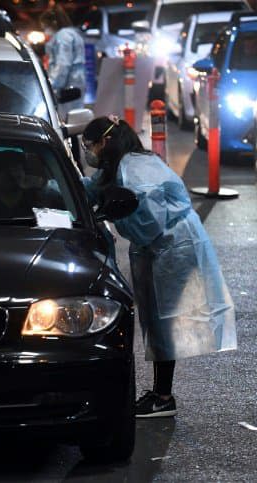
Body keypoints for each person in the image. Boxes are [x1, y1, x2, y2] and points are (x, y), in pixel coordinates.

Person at [81, 115, 237, 418]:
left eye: (91, 145)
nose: (90, 152)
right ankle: (159, 392)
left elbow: (146, 221)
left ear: (106, 142)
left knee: (164, 322)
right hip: (156, 249)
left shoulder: (137, 172)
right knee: (155, 321)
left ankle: (163, 396)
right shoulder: (123, 165)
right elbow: (96, 188)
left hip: (172, 248)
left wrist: (108, 214)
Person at [39, 6, 86, 115]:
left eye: (45, 27)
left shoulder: (62, 36)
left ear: (53, 23)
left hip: (66, 87)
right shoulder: (72, 33)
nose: (45, 30)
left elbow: (63, 64)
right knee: (76, 117)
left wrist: (50, 85)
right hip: (75, 84)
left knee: (66, 120)